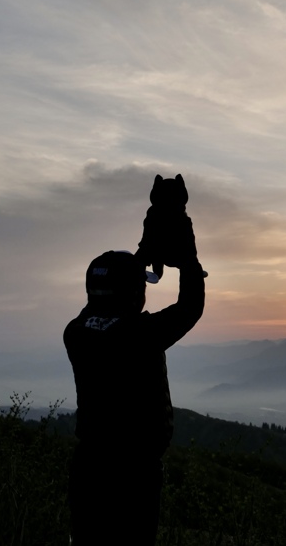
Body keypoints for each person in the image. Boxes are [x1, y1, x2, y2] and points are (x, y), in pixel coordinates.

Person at [63, 205, 205, 544]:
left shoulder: (76, 332)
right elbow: (190, 307)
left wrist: (139, 256)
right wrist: (187, 258)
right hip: (132, 474)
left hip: (89, 467)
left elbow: (100, 303)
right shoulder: (139, 335)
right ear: (133, 293)